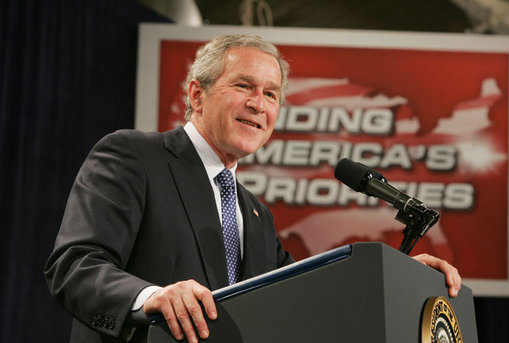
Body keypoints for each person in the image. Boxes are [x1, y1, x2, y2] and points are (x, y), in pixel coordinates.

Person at [45, 34, 461, 343]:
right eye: (243, 86)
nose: (259, 104)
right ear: (197, 94)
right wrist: (150, 296)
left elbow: (310, 295)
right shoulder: (135, 156)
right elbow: (75, 266)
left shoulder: (255, 213)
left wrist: (404, 277)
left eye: (271, 94)